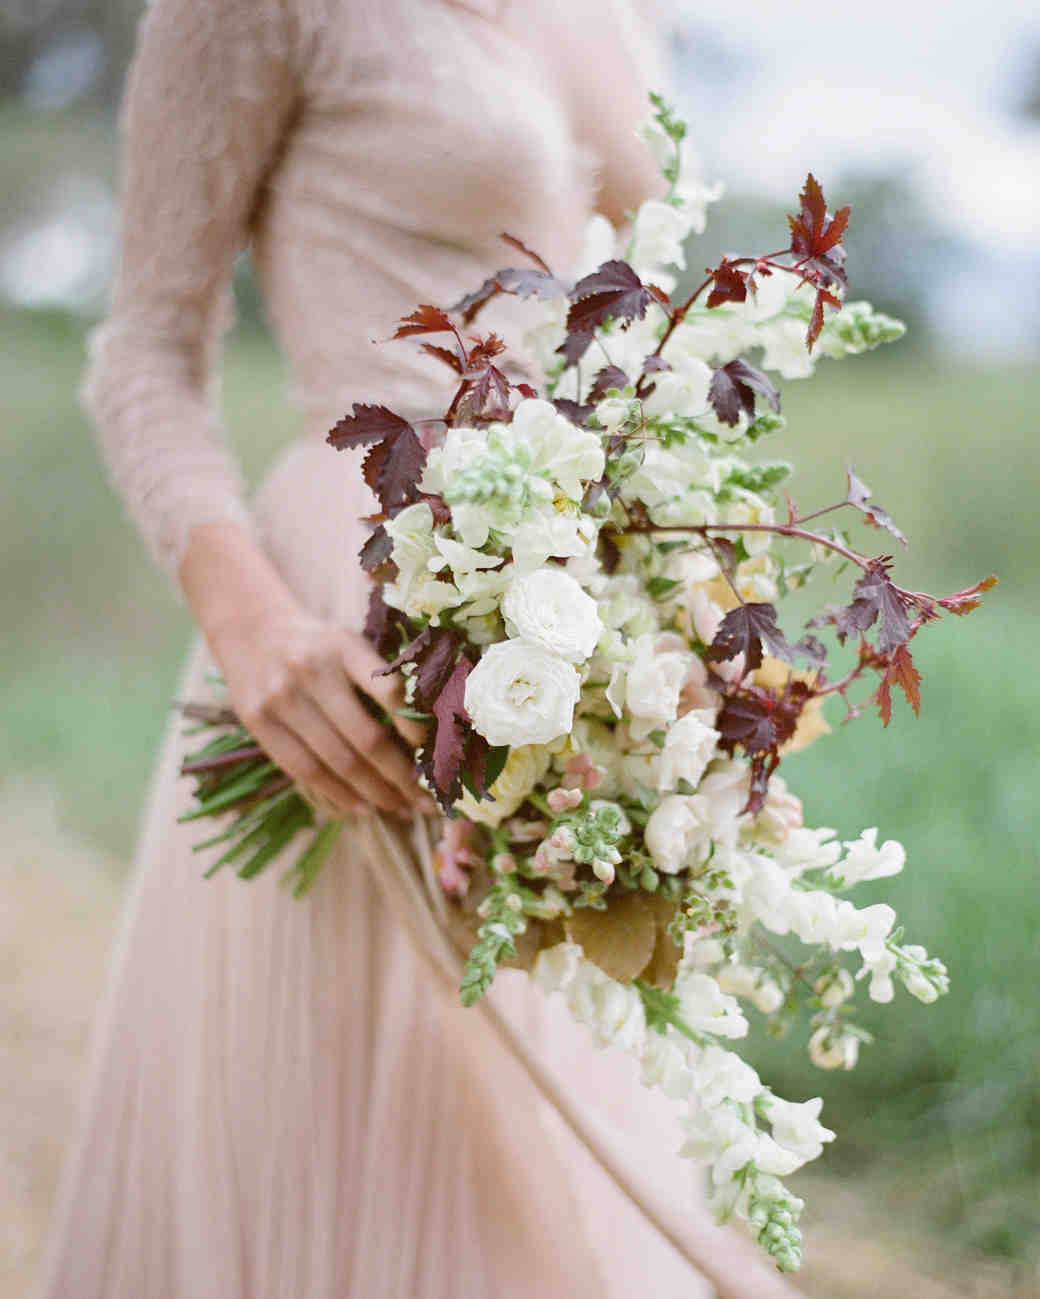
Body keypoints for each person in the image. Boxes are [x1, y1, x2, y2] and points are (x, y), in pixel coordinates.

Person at [36, 1, 807, 1295]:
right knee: (364, 1123)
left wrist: (682, 613)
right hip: (359, 609)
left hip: (588, 620)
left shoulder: (620, 16)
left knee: (576, 1127)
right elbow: (143, 356)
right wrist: (255, 627)